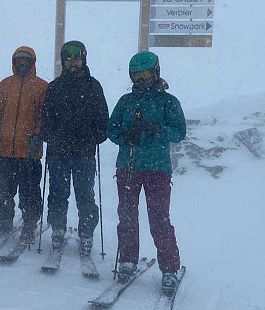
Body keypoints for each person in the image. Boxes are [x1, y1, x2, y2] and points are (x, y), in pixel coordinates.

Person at [107, 51, 186, 296]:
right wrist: (124, 137)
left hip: (157, 169)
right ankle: (128, 259)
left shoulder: (168, 101)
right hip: (129, 166)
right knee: (127, 216)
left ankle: (170, 268)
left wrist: (156, 130)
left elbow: (179, 132)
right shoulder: (126, 101)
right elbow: (112, 129)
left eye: (145, 75)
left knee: (159, 220)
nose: (140, 81)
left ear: (156, 73)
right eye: (136, 76)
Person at [41, 40, 109, 256]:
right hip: (59, 152)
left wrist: (95, 136)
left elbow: (103, 119)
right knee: (58, 194)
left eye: (77, 58)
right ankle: (58, 230)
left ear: (84, 59)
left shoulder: (93, 86)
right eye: (69, 59)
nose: (73, 63)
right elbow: (45, 119)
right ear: (63, 61)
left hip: (84, 153)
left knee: (85, 196)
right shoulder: (54, 87)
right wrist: (49, 136)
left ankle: (86, 234)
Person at [0, 46, 48, 243]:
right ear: (13, 62)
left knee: (29, 192)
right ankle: (5, 220)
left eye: (26, 61)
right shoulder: (5, 85)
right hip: (4, 150)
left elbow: (44, 116)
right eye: (18, 60)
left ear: (32, 62)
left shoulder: (41, 87)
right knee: (1, 190)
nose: (22, 64)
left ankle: (30, 224)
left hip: (29, 152)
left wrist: (38, 136)